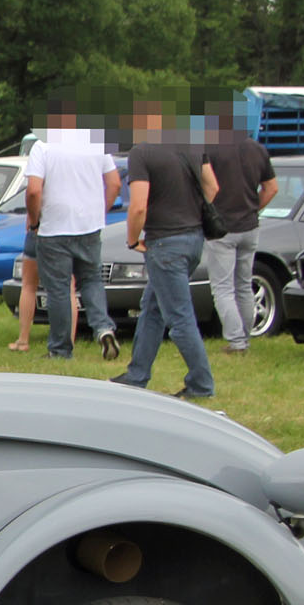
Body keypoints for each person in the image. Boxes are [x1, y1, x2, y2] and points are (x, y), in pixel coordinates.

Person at [111, 99, 218, 399]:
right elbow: (213, 188)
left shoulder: (142, 153)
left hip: (165, 242)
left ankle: (201, 385)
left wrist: (133, 240)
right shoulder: (192, 145)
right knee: (153, 309)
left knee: (179, 316)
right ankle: (136, 375)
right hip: (194, 237)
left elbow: (138, 207)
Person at [25, 106, 121, 360]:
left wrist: (34, 221)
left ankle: (60, 348)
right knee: (91, 280)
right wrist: (100, 209)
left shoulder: (43, 147)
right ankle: (103, 327)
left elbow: (34, 190)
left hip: (54, 228)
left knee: (58, 289)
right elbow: (114, 183)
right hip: (88, 225)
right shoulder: (96, 144)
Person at [202, 108, 278, 354]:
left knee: (222, 288)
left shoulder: (210, 150)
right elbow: (271, 188)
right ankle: (245, 337)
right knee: (244, 284)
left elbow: (207, 186)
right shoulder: (257, 149)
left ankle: (236, 342)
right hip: (250, 225)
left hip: (221, 227)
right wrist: (254, 207)